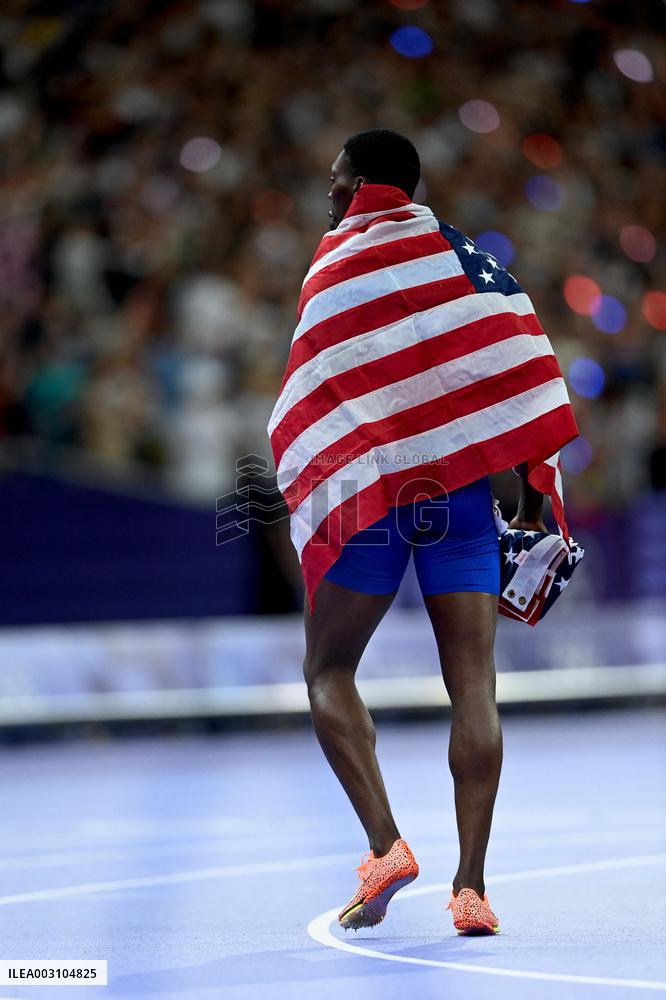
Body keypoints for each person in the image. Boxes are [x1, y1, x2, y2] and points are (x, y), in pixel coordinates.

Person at [268, 129, 576, 935]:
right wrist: (535, 502)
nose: (330, 199)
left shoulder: (335, 265)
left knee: (327, 669)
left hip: (374, 494)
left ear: (364, 184)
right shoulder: (467, 261)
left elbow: (322, 387)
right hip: (462, 497)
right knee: (474, 687)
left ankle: (384, 846)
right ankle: (470, 886)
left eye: (337, 185)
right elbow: (517, 369)